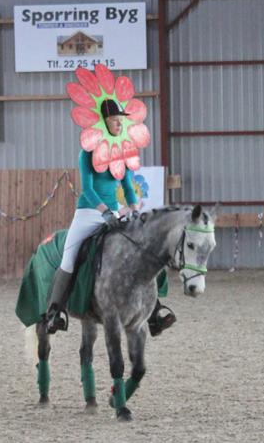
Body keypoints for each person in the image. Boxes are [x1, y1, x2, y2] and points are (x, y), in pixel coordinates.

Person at [40, 98, 175, 336]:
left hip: (114, 211)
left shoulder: (121, 152)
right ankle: (55, 312)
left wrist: (133, 207)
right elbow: (88, 190)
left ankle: (153, 311)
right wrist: (103, 212)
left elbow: (127, 183)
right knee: (70, 257)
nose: (119, 123)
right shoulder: (88, 153)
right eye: (115, 119)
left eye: (121, 119)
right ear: (104, 122)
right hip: (88, 212)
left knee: (144, 247)